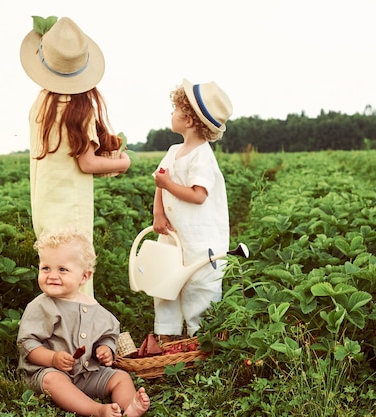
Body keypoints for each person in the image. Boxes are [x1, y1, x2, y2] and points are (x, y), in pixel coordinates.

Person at [20, 17, 130, 297]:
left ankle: (54, 334)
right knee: (76, 279)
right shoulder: (79, 109)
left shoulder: (39, 104)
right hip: (71, 210)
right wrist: (122, 162)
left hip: (44, 207)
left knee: (53, 278)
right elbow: (88, 162)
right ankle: (80, 336)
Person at [17, 228, 150, 417]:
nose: (52, 275)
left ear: (85, 276)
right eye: (46, 268)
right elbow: (28, 345)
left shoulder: (94, 307)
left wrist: (105, 349)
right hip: (48, 372)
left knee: (121, 377)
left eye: (62, 269)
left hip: (87, 374)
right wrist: (53, 359)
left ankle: (130, 407)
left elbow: (107, 335)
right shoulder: (42, 306)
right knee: (53, 381)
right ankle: (96, 410)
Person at [152, 79, 233, 342]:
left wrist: (168, 184)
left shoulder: (202, 155)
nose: (171, 114)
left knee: (199, 282)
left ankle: (200, 337)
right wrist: (158, 214)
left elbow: (199, 196)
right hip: (174, 234)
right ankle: (168, 333)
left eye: (175, 110)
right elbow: (160, 184)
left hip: (199, 235)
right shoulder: (174, 150)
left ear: (188, 120)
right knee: (167, 278)